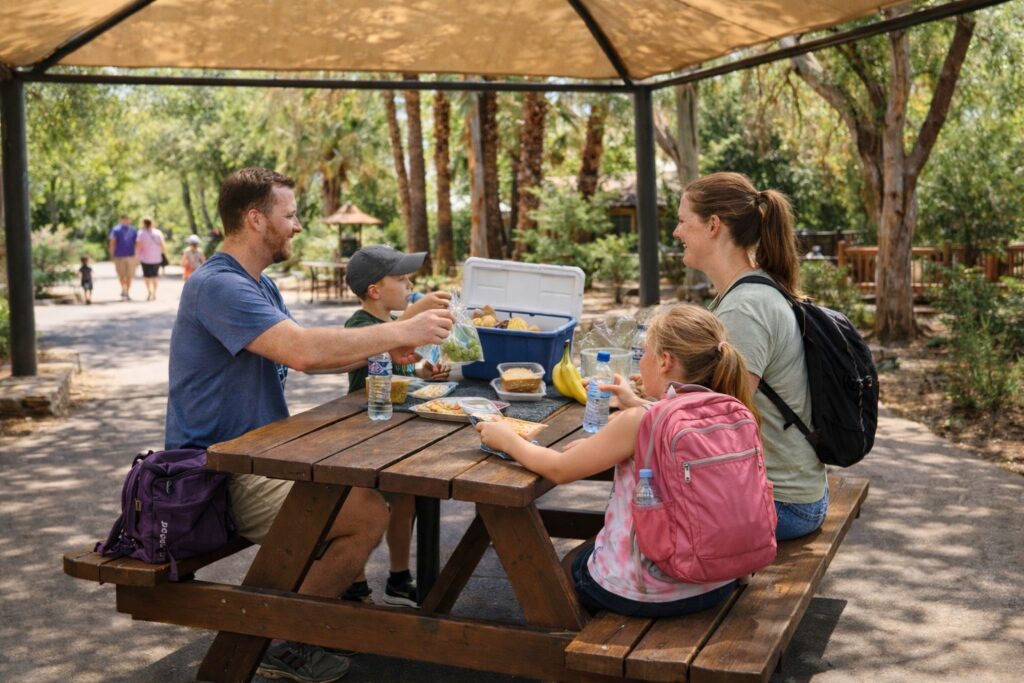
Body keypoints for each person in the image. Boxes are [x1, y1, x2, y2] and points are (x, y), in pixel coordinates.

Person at [165, 167, 454, 683]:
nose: (298, 226)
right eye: (290, 214)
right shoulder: (218, 286)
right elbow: (303, 353)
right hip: (220, 472)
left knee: (364, 493)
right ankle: (278, 639)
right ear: (256, 219)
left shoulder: (260, 286)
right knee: (365, 515)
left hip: (265, 454)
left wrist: (390, 340)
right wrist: (401, 328)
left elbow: (316, 353)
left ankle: (308, 616)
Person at [476, 305, 751, 617]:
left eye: (644, 352)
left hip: (649, 591)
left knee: (569, 565)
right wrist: (634, 404)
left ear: (665, 361)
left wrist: (506, 439)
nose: (640, 360)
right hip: (716, 580)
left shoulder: (640, 421)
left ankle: (565, 644)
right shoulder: (728, 408)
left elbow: (558, 469)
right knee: (588, 552)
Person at [673, 171, 828, 540]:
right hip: (788, 492)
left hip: (782, 503)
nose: (677, 233)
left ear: (713, 225)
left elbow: (723, 423)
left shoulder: (744, 308)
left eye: (682, 222)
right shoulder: (749, 291)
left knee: (642, 507)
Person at [339, 244, 451, 608]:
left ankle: (400, 576)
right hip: (366, 433)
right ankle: (353, 583)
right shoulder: (361, 326)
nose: (409, 285)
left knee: (405, 503)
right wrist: (414, 316)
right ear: (374, 290)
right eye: (400, 279)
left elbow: (403, 365)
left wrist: (423, 370)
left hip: (397, 430)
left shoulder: (395, 327)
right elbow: (379, 349)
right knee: (365, 507)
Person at [135, 217, 166, 301]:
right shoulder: (158, 233)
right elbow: (163, 245)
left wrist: (137, 257)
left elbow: (138, 247)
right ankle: (155, 293)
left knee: (147, 276)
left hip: (145, 259)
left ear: (143, 223)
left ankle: (149, 291)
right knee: (155, 276)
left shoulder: (141, 233)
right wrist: (163, 254)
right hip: (156, 258)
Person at [108, 213, 137, 301]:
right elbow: (112, 242)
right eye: (124, 219)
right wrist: (111, 255)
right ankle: (123, 288)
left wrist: (137, 256)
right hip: (119, 256)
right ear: (121, 220)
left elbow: (136, 243)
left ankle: (127, 291)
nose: (126, 221)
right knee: (121, 275)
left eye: (127, 219)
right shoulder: (115, 229)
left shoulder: (133, 230)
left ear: (129, 220)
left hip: (131, 256)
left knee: (130, 276)